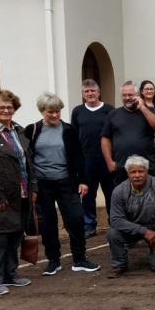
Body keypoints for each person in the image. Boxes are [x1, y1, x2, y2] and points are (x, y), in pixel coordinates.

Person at [25, 92, 99, 275]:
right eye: (51, 112)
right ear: (42, 111)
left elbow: (78, 157)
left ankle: (80, 259)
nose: (55, 115)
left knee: (75, 218)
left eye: (58, 111)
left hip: (67, 182)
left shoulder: (68, 130)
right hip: (42, 184)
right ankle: (53, 261)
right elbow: (26, 158)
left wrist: (83, 180)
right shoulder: (31, 130)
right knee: (48, 223)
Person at [0, 90, 36, 296]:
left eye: (9, 107)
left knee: (15, 234)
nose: (6, 110)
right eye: (1, 107)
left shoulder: (19, 131)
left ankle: (10, 274)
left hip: (20, 193)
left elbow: (28, 162)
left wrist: (34, 188)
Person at [106, 155, 155, 277]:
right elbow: (115, 220)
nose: (137, 175)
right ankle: (119, 265)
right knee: (113, 233)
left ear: (146, 171)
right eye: (133, 172)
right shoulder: (119, 191)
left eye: (141, 171)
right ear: (128, 173)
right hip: (133, 230)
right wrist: (144, 231)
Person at [101, 80, 155, 186]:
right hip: (121, 167)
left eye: (130, 95)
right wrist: (109, 162)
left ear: (138, 95)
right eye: (124, 95)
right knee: (123, 200)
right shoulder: (113, 114)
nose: (127, 98)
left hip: (146, 167)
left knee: (150, 199)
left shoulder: (151, 111)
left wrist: (142, 108)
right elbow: (105, 138)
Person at [71, 79, 114, 237]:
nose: (90, 94)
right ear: (83, 94)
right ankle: (89, 225)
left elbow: (114, 134)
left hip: (106, 158)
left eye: (93, 91)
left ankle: (114, 223)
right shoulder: (77, 111)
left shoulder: (109, 110)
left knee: (111, 193)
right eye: (86, 92)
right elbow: (74, 136)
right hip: (86, 160)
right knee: (88, 195)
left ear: (98, 92)